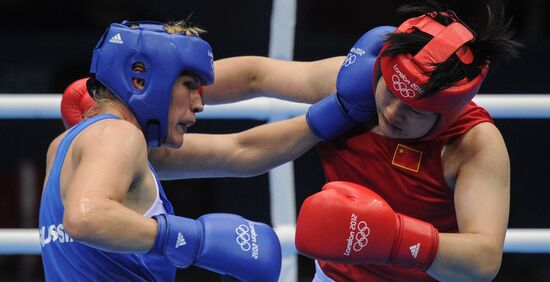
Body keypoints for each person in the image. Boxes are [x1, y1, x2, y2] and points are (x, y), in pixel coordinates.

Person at [61, 2, 521, 281]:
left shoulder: (474, 146)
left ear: (451, 110)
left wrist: (396, 238)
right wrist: (123, 96)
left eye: (417, 109)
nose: (394, 111)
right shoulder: (357, 80)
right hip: (334, 277)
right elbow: (256, 76)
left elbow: (483, 260)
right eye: (391, 90)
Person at [39, 20, 283, 281]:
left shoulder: (60, 146)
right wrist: (191, 241)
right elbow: (85, 218)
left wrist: (323, 118)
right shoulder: (119, 134)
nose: (199, 103)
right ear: (139, 78)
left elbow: (241, 150)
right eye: (189, 85)